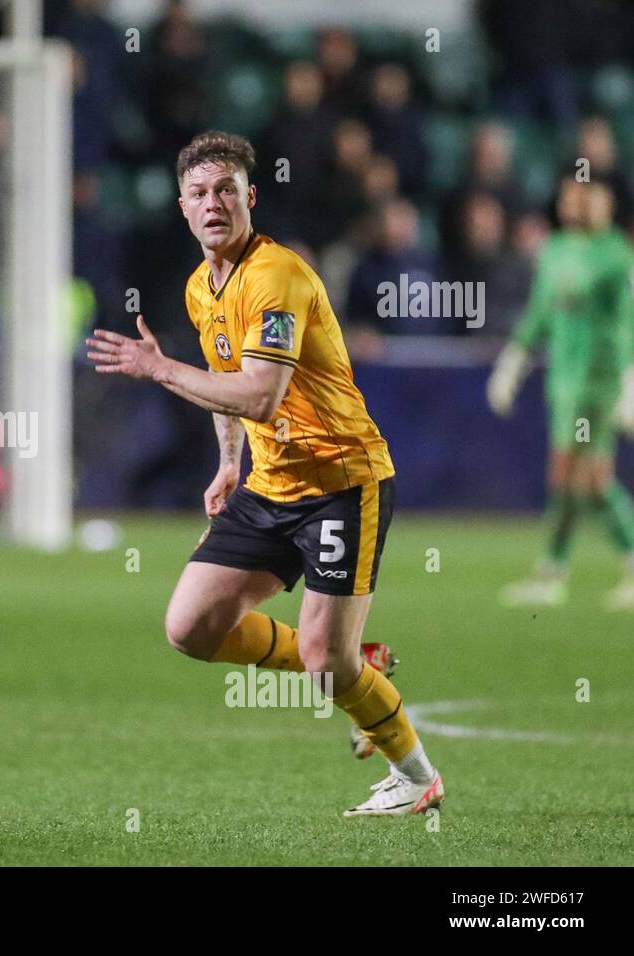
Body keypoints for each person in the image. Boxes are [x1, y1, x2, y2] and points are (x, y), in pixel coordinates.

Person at [86, 131, 443, 816]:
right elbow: (226, 379)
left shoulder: (276, 275)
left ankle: (417, 775)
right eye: (199, 193)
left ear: (250, 197)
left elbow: (260, 395)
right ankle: (348, 656)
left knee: (326, 664)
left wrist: (158, 368)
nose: (213, 202)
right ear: (183, 208)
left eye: (226, 189)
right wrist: (228, 461)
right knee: (191, 626)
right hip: (270, 485)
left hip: (342, 482)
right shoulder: (200, 288)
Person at [487, 175, 634, 609]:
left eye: (589, 195)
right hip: (563, 381)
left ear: (605, 203)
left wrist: (629, 380)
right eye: (572, 193)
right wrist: (514, 359)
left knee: (577, 474)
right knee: (583, 480)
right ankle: (557, 570)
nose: (579, 202)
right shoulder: (553, 251)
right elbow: (541, 312)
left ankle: (553, 570)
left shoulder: (616, 255)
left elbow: (627, 322)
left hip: (600, 380)